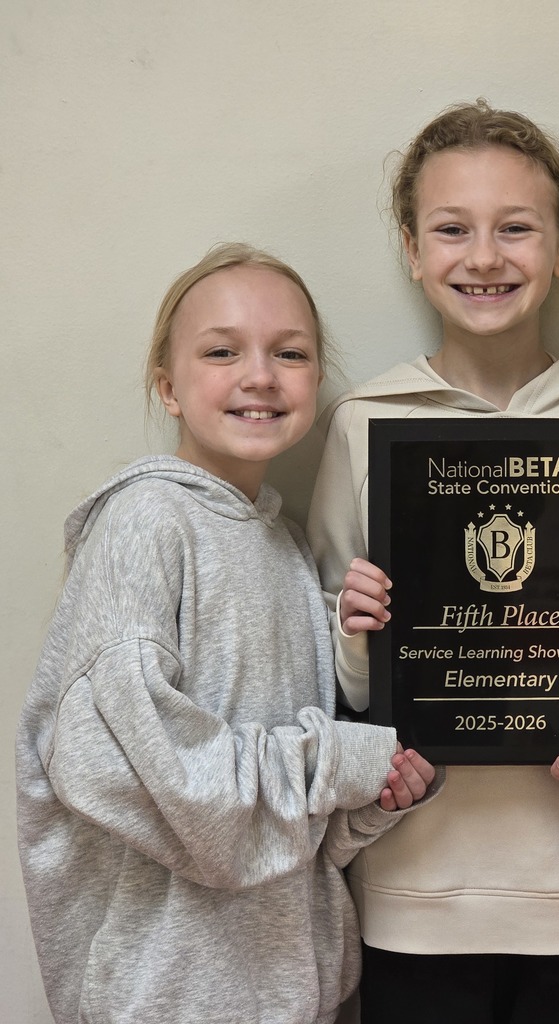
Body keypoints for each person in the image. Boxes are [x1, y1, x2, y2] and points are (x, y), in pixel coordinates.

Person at [306, 100, 559, 1024]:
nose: (485, 256)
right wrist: (355, 636)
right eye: (452, 229)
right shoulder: (364, 424)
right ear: (412, 248)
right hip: (413, 886)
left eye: (516, 228)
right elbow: (335, 675)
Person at [16, 243, 439, 1024]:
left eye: (290, 352)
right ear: (167, 387)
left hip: (296, 995)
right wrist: (341, 761)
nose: (259, 375)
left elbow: (284, 831)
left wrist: (369, 800)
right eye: (222, 351)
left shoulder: (283, 550)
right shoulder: (144, 525)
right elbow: (157, 778)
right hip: (166, 999)